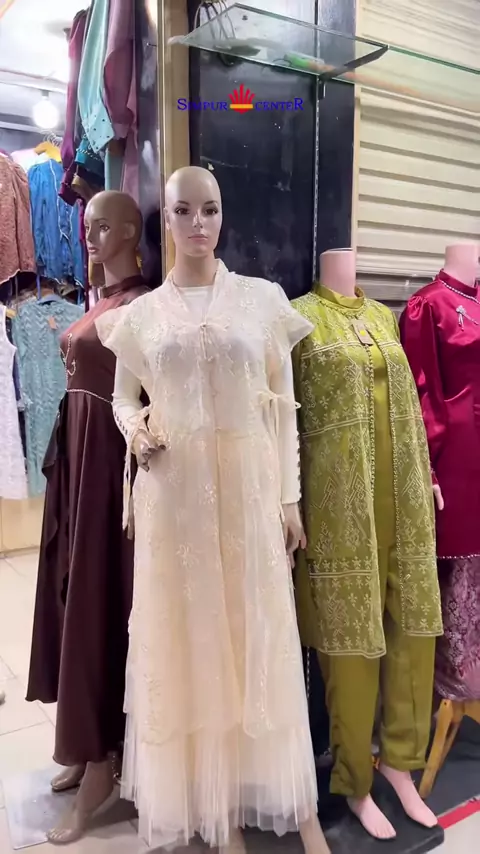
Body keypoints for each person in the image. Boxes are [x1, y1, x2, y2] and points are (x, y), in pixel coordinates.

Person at [96, 166, 329, 854]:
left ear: (224, 215)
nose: (198, 224)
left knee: (258, 638)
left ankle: (298, 808)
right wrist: (135, 431)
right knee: (193, 641)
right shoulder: (140, 316)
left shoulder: (261, 301)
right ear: (165, 219)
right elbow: (122, 398)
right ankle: (217, 812)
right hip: (176, 503)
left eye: (210, 209)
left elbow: (283, 409)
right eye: (183, 211)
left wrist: (289, 497)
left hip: (249, 497)